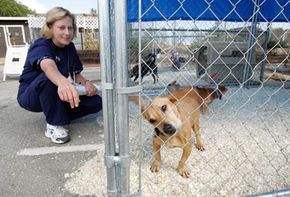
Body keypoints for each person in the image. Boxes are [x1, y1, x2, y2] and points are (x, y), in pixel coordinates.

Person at [17, 7, 102, 144]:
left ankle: (58, 114)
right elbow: (48, 65)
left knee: (97, 102)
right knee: (49, 77)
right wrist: (62, 82)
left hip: (54, 92)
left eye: (70, 28)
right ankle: (53, 124)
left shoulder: (70, 48)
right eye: (61, 28)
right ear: (50, 27)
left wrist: (86, 84)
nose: (67, 32)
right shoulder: (41, 45)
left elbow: (76, 74)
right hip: (31, 96)